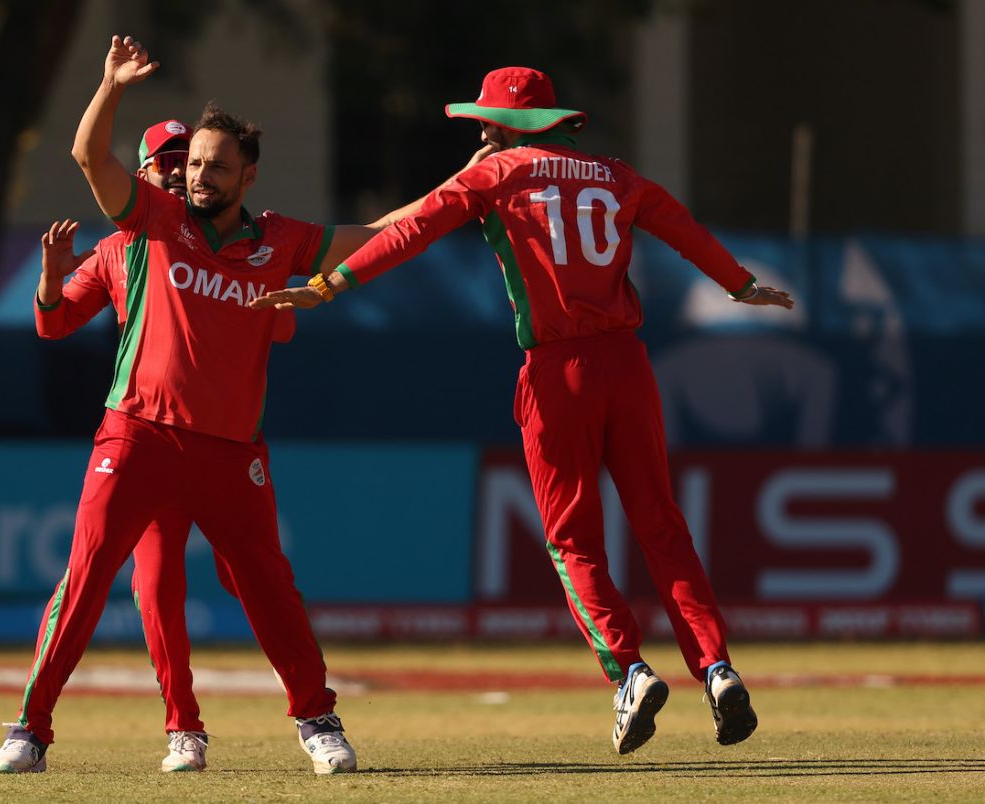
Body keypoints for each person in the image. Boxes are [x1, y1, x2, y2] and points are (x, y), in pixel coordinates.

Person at [250, 66, 794, 755]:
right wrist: (741, 286)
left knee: (573, 540)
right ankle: (716, 667)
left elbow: (411, 232)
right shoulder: (618, 176)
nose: (480, 131)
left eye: (487, 120)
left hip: (556, 369)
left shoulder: (495, 175)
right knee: (662, 525)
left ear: (512, 125)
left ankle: (628, 670)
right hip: (627, 363)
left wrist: (329, 285)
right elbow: (682, 229)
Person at [0, 35, 477, 776]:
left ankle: (318, 721)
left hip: (228, 450)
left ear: (247, 173)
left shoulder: (278, 240)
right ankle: (31, 730)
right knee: (88, 578)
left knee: (268, 588)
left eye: (216, 165)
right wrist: (112, 85)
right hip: (138, 434)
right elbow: (90, 159)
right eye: (192, 165)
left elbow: (379, 237)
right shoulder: (151, 221)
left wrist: (462, 189)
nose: (199, 175)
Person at [31, 119, 294, 772]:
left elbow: (278, 326)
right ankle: (184, 727)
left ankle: (307, 711)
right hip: (149, 439)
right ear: (143, 173)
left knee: (246, 579)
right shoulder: (127, 245)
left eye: (189, 161)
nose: (180, 173)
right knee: (155, 588)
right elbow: (55, 322)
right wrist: (51, 279)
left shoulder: (218, 240)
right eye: (166, 162)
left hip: (220, 443)